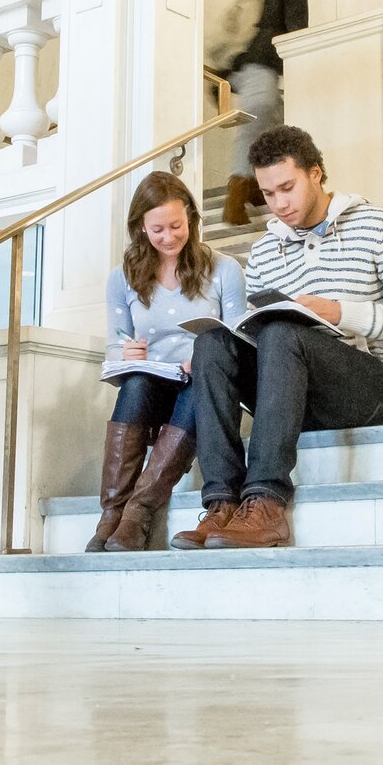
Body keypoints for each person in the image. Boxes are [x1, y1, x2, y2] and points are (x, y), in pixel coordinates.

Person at [177, 126, 383, 550]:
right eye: (268, 194)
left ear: (316, 173)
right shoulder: (263, 252)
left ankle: (265, 502)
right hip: (291, 396)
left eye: (287, 188)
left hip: (372, 390)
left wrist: (339, 312)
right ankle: (222, 503)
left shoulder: (377, 226)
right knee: (211, 345)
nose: (279, 204)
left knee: (282, 332)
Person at [93, 171, 247, 552]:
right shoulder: (123, 277)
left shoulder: (225, 269)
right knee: (137, 383)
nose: (168, 237)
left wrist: (208, 353)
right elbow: (115, 346)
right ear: (140, 228)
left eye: (176, 226)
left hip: (203, 386)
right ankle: (111, 514)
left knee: (199, 388)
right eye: (157, 229)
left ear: (191, 219)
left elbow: (240, 339)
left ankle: (138, 513)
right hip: (152, 382)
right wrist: (124, 353)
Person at [220, 0, 311, 226]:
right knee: (257, 125)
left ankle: (257, 190)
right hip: (264, 61)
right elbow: (297, 28)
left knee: (275, 125)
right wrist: (300, 61)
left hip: (244, 64)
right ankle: (235, 199)